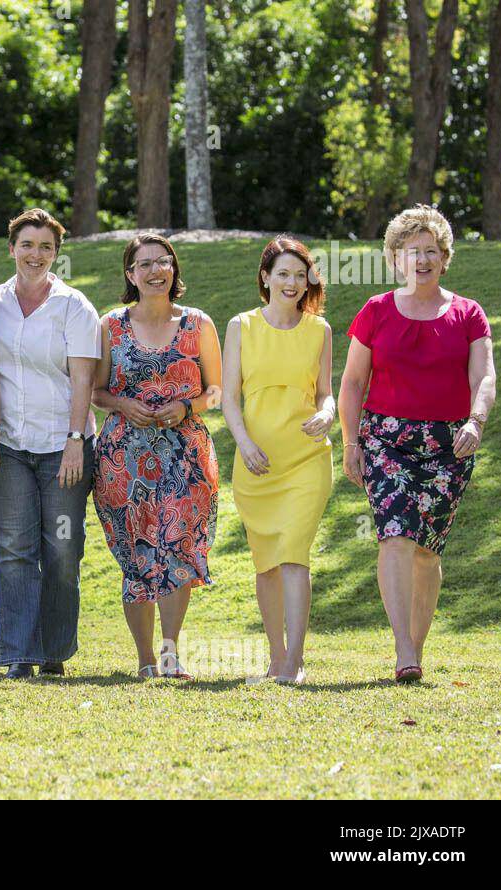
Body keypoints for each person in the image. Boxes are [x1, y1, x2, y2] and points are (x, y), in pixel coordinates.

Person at [339, 205, 495, 684]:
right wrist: (350, 443)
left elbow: (485, 375)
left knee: (427, 551)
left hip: (451, 443)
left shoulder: (469, 314)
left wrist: (477, 420)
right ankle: (403, 650)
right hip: (387, 438)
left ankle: (416, 646)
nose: (422, 260)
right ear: (396, 259)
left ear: (444, 258)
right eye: (413, 252)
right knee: (395, 534)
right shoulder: (376, 312)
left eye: (431, 251)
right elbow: (351, 383)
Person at [91, 234, 222, 679]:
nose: (154, 271)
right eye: (143, 264)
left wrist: (186, 406)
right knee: (138, 551)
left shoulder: (197, 323)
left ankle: (170, 653)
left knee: (178, 546)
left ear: (174, 269)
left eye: (163, 262)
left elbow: (216, 390)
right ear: (130, 274)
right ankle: (144, 658)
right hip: (123, 459)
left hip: (185, 454)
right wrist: (124, 405)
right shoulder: (111, 325)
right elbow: (96, 391)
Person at [0, 208, 100, 679]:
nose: (36, 255)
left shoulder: (74, 307)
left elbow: (83, 380)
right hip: (6, 444)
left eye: (46, 247)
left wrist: (75, 441)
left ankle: (54, 650)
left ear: (56, 253)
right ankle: (18, 655)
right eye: (27, 245)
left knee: (63, 550)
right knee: (12, 548)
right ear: (12, 249)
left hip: (62, 446)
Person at [222, 237, 333, 684]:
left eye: (299, 275)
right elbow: (229, 398)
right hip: (257, 463)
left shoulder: (319, 331)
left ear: (309, 282)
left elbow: (325, 391)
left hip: (306, 460)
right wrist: (244, 444)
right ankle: (275, 656)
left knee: (293, 553)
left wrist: (327, 413)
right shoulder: (241, 326)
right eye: (283, 274)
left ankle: (296, 660)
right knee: (266, 561)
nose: (292, 282)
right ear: (265, 278)